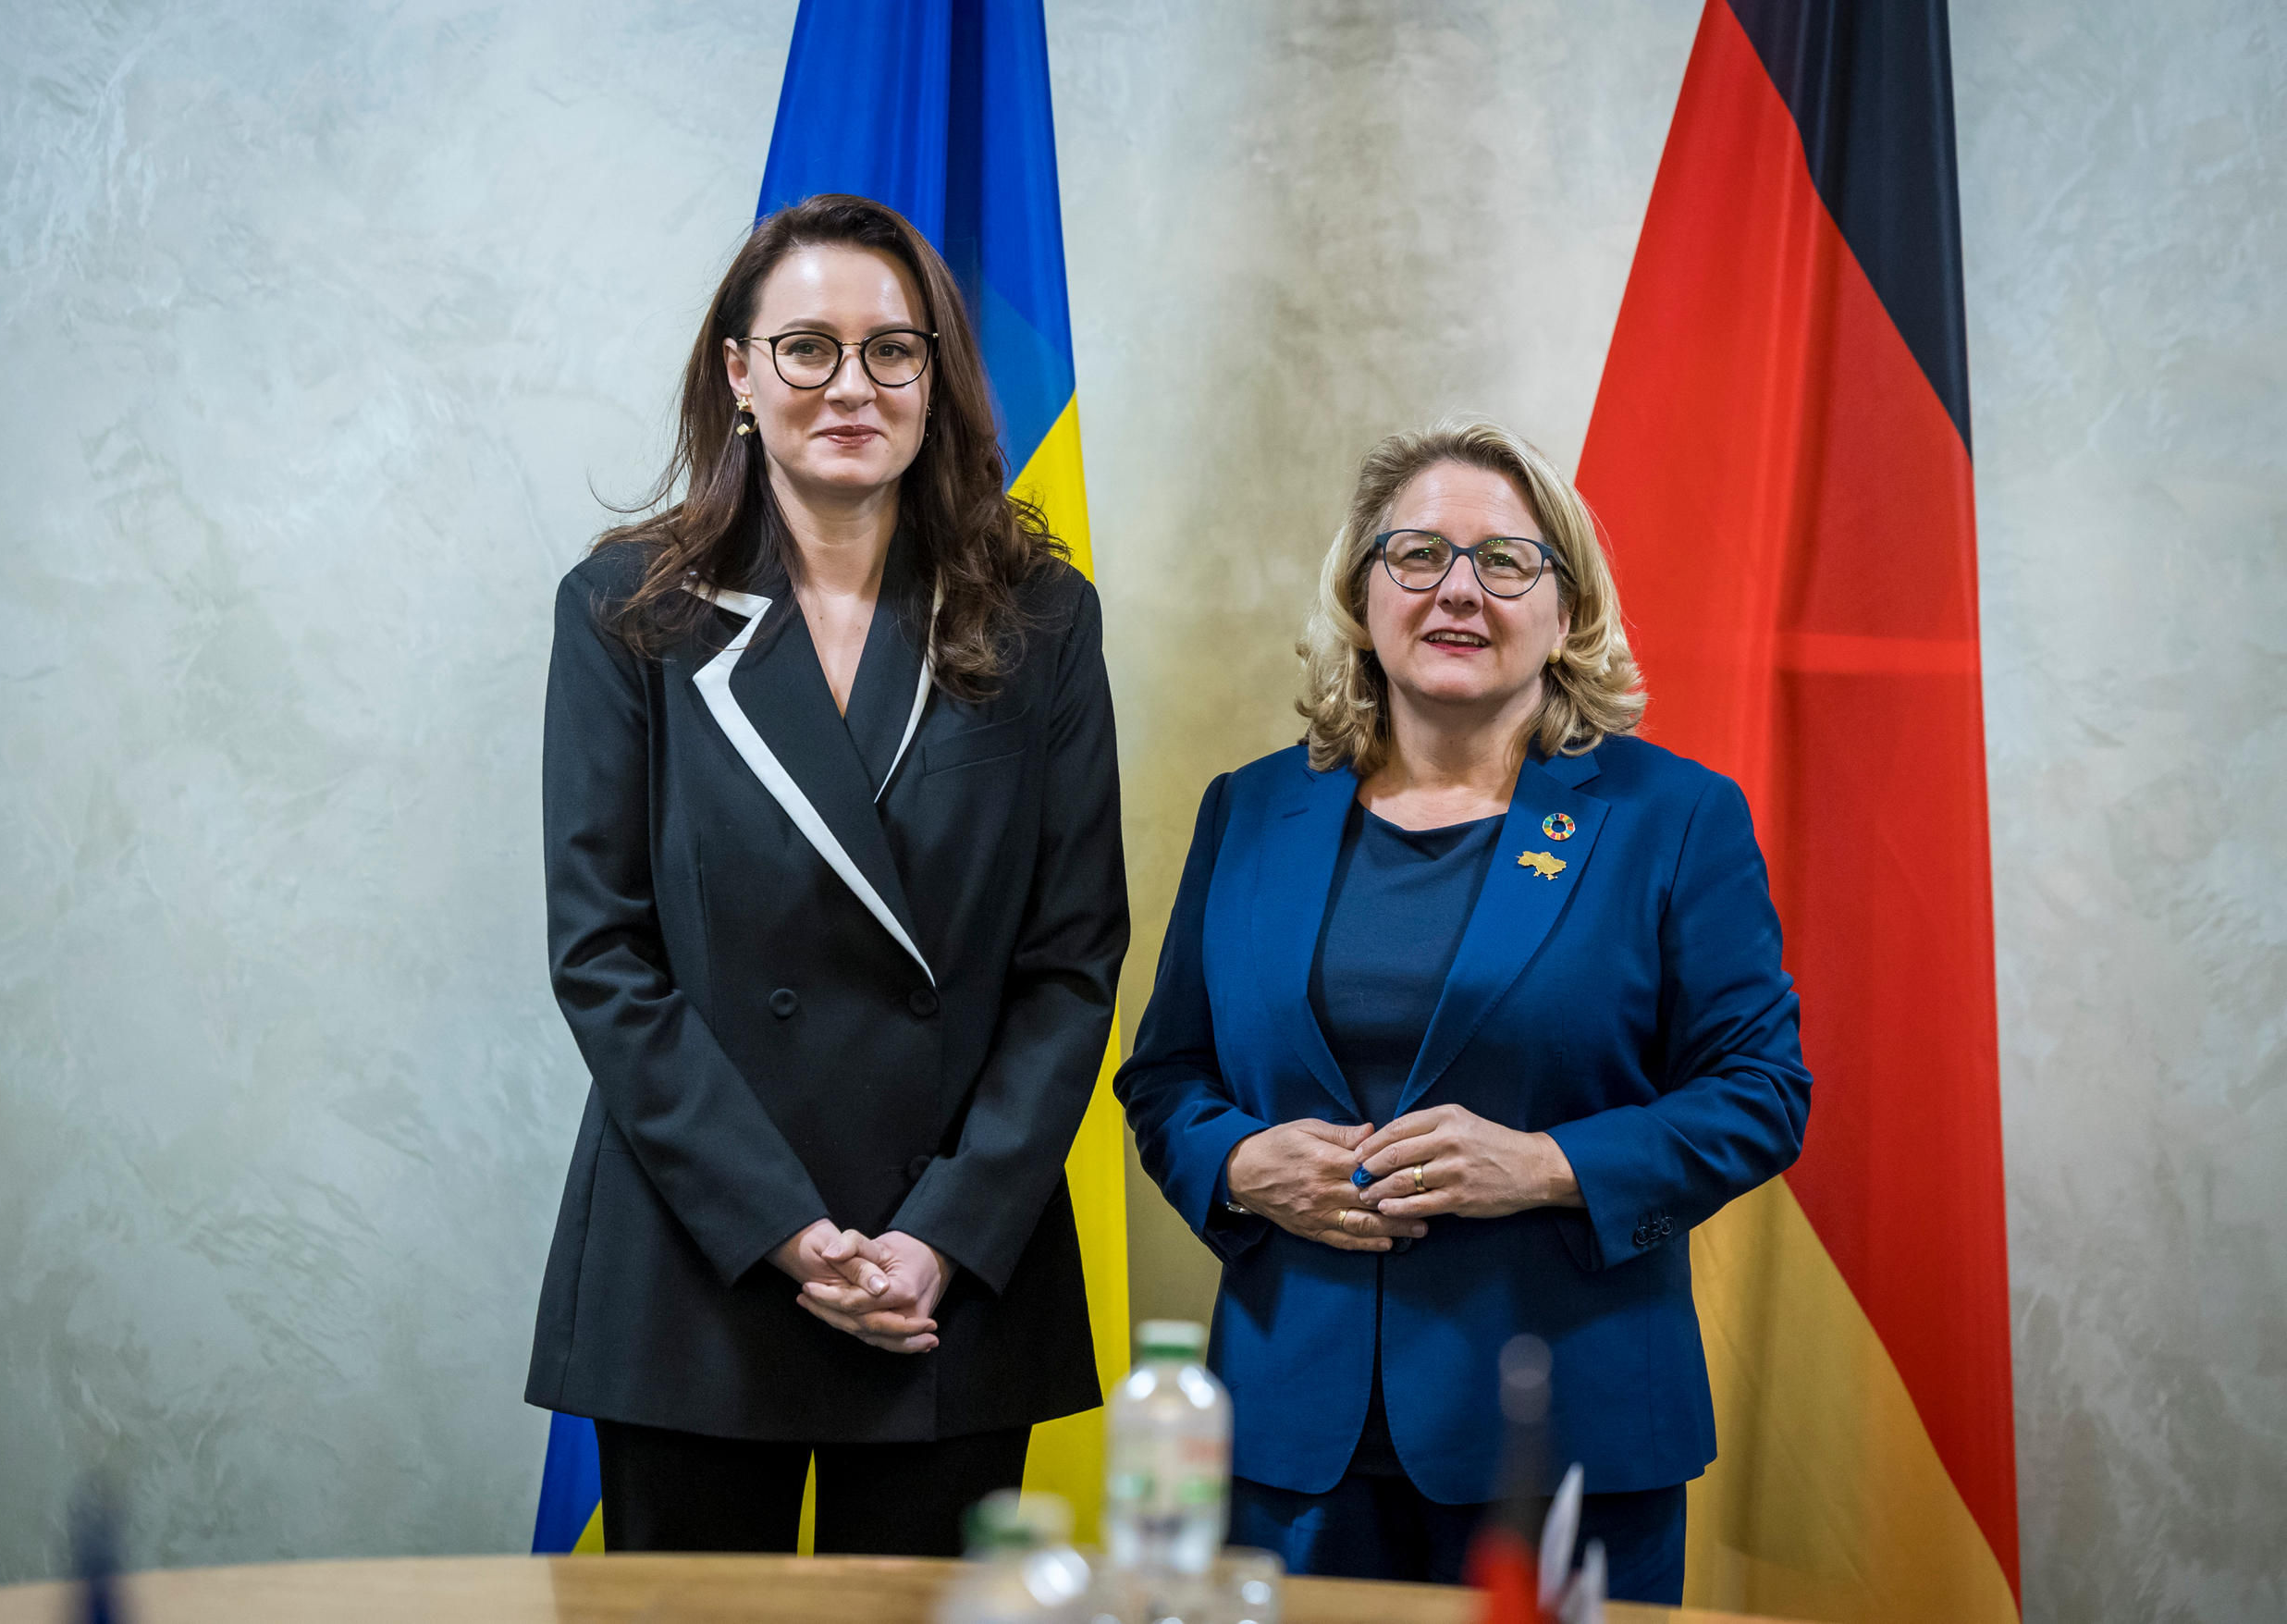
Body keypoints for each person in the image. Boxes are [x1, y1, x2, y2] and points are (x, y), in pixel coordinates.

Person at [525, 194, 1127, 1557]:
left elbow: (1071, 961)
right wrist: (792, 1230)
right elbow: (604, 957)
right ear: (738, 374)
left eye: (891, 351)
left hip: (951, 1275)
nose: (851, 385)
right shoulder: (628, 612)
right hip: (703, 1260)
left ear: (937, 377)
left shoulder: (1044, 619)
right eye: (807, 348)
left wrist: (940, 1237)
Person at [1115, 419, 1810, 1600]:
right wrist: (1238, 1165)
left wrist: (1545, 1164)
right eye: (1417, 555)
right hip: (1292, 1439)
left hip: (1564, 1436)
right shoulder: (1251, 809)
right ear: (1362, 592)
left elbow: (1761, 1092)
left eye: (1504, 561)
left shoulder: (1673, 817)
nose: (1457, 591)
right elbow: (1167, 1074)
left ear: (1567, 606)